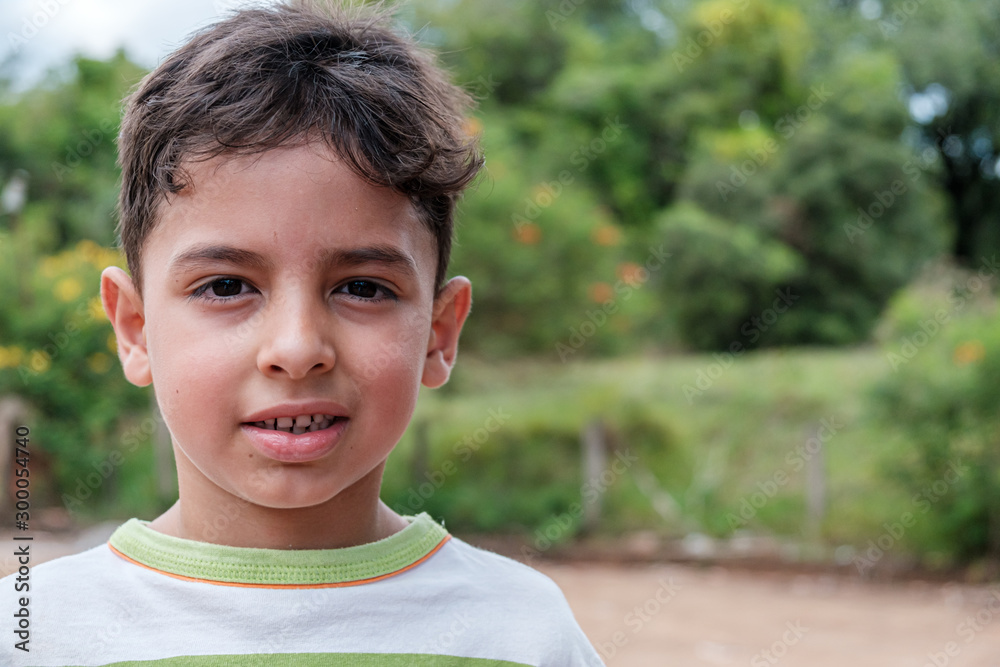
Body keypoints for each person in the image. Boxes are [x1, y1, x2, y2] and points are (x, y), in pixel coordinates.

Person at [1, 2, 604, 664]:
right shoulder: (35, 633)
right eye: (226, 286)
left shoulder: (522, 634)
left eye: (363, 287)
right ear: (135, 328)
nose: (295, 349)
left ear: (439, 332)